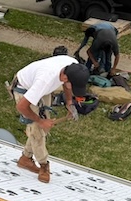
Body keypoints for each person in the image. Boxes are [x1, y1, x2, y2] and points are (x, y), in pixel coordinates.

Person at [9, 55, 90, 184]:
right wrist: (40, 121)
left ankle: (25, 158)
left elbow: (67, 86)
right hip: (25, 88)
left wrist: (69, 102)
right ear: (64, 77)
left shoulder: (73, 65)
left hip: (42, 88)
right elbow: (21, 107)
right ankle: (43, 165)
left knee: (41, 130)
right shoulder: (44, 81)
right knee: (37, 129)